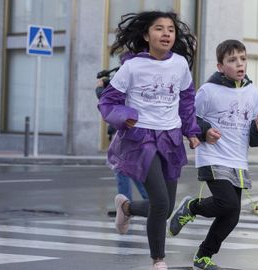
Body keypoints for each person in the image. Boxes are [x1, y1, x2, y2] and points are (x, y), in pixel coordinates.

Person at [97, 11, 200, 270]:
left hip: (171, 138)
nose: (166, 33)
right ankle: (158, 259)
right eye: (159, 29)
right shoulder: (132, 66)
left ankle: (127, 207)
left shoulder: (179, 65)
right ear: (146, 35)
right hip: (141, 138)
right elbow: (108, 101)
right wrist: (124, 115)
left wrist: (191, 131)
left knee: (164, 209)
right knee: (161, 202)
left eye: (170, 29)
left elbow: (187, 101)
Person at [169, 39, 258, 270]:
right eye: (232, 60)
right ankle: (191, 207)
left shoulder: (253, 92)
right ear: (220, 66)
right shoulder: (208, 91)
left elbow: (256, 133)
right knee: (226, 203)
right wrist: (205, 131)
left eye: (243, 59)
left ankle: (202, 257)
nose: (239, 64)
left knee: (232, 214)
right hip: (214, 157)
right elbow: (188, 117)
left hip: (239, 160)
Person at [96, 78, 148, 202]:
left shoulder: (129, 74)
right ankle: (150, 201)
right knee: (131, 168)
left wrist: (99, 88)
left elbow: (108, 99)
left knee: (122, 168)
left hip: (129, 132)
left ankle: (125, 205)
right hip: (135, 131)